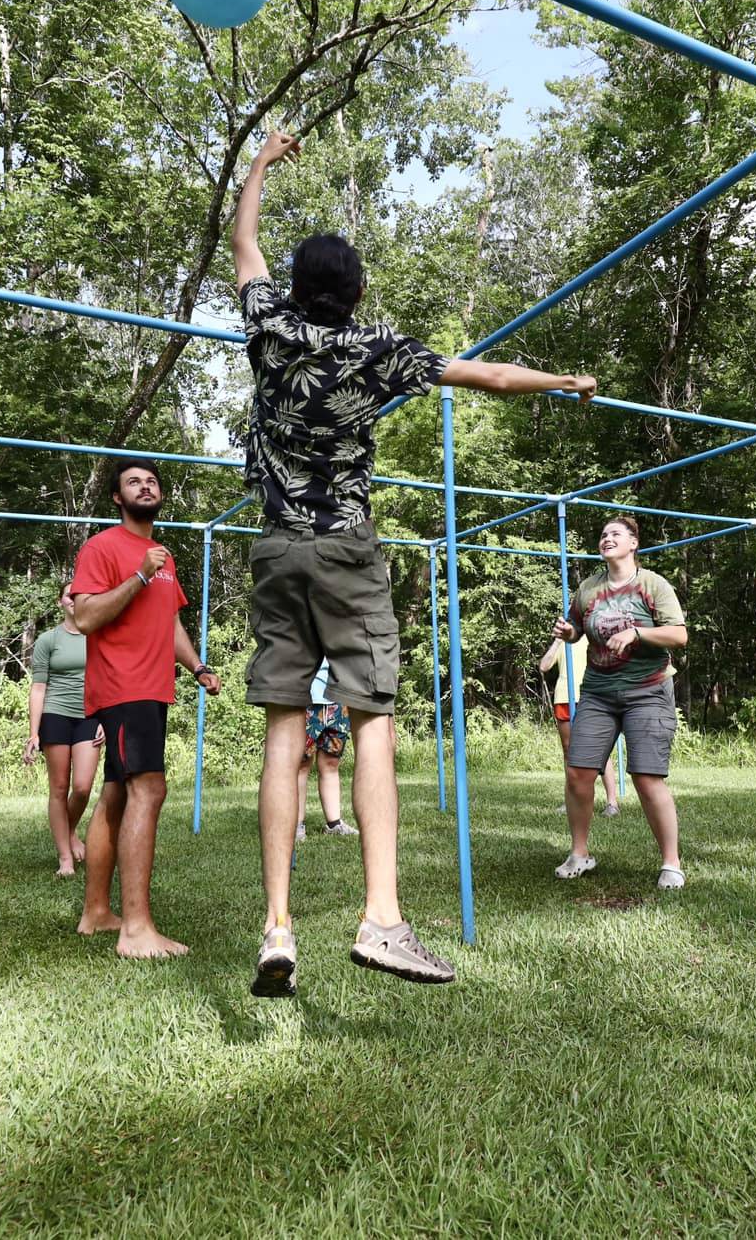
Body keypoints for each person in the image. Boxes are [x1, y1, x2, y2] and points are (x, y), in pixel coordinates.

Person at [231, 130, 597, 997]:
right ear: (355, 294)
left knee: (284, 733)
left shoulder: (269, 327)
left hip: (277, 545)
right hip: (346, 545)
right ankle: (382, 919)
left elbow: (243, 245)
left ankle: (277, 928)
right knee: (372, 722)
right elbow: (494, 378)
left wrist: (259, 168)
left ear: (296, 286)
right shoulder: (378, 349)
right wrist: (566, 382)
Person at [69, 459, 221, 959]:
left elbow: (168, 622)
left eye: (152, 481)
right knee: (148, 789)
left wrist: (197, 667)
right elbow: (86, 615)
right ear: (117, 497)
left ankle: (97, 912)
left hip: (153, 688)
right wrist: (138, 574)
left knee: (116, 794)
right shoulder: (104, 548)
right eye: (134, 481)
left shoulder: (164, 556)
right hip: (123, 686)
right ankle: (136, 930)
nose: (145, 486)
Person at [550, 515, 688, 888]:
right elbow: (578, 626)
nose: (607, 538)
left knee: (646, 777)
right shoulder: (589, 587)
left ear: (633, 544)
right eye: (603, 533)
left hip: (648, 690)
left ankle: (671, 863)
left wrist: (636, 633)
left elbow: (678, 635)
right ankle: (580, 853)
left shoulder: (652, 584)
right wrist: (569, 631)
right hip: (598, 691)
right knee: (579, 772)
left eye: (615, 534)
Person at [24, 581, 100, 876]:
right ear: (61, 602)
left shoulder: (98, 635)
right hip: (55, 714)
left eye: (80, 595)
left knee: (81, 787)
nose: (75, 599)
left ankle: (69, 830)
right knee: (58, 788)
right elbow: (38, 688)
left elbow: (109, 680)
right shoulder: (47, 640)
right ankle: (65, 859)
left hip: (90, 716)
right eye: (70, 595)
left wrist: (106, 718)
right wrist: (34, 732)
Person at [539, 636, 620, 815]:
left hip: (589, 697)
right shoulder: (563, 640)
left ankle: (612, 803)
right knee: (568, 751)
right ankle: (572, 801)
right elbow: (544, 666)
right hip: (564, 699)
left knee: (600, 750)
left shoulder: (592, 636)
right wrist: (557, 641)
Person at [300, 659, 357, 840]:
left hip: (337, 697)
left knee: (331, 762)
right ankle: (295, 825)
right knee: (301, 764)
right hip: (305, 697)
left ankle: (334, 824)